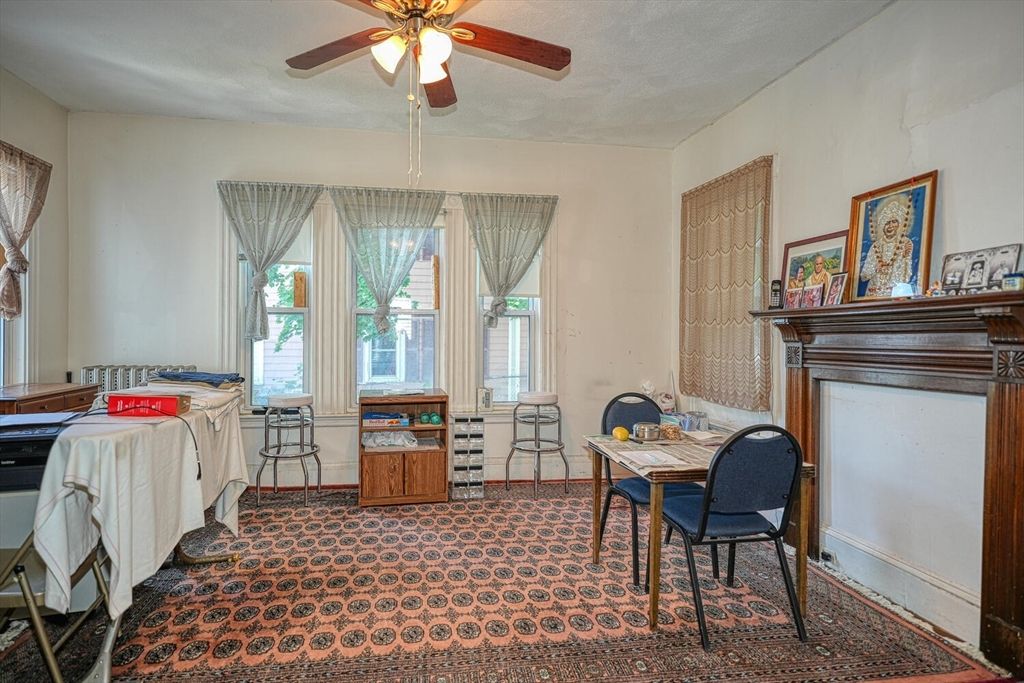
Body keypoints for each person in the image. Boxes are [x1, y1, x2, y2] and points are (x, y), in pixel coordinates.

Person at [860, 195, 915, 297]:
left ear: (899, 224)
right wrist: (876, 268)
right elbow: (864, 276)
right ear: (882, 225)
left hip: (894, 296)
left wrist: (904, 258)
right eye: (887, 223)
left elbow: (907, 275)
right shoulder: (875, 246)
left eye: (894, 222)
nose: (890, 226)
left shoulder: (905, 243)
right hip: (873, 295)